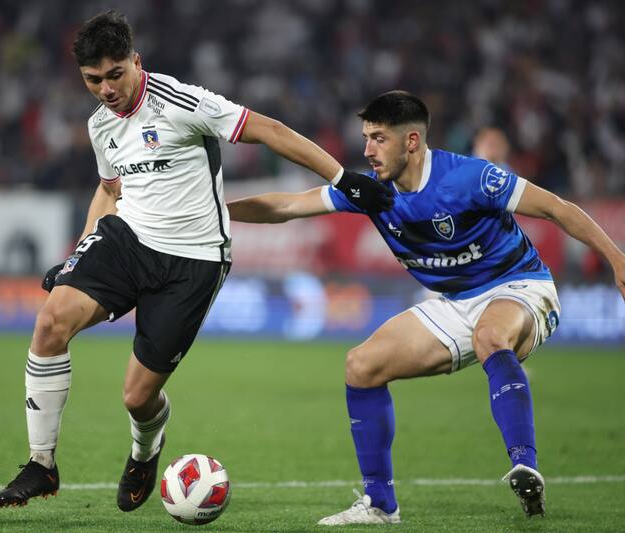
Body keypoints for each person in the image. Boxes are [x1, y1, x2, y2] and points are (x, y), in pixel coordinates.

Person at [0, 11, 393, 510]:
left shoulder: (181, 102)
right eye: (93, 80)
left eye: (115, 74)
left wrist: (340, 175)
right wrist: (79, 250)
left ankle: (145, 450)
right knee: (50, 322)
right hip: (129, 239)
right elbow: (109, 190)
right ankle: (41, 464)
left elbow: (266, 128)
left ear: (136, 62)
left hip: (194, 260)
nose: (106, 89)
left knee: (137, 397)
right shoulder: (100, 126)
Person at [227, 91, 625, 524]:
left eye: (378, 138)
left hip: (521, 285)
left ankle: (524, 464)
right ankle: (380, 505)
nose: (367, 150)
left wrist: (617, 260)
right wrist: (217, 212)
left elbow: (557, 209)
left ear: (412, 141)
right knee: (361, 366)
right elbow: (285, 205)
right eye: (365, 138)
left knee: (490, 336)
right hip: (454, 303)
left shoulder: (469, 178)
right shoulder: (371, 191)